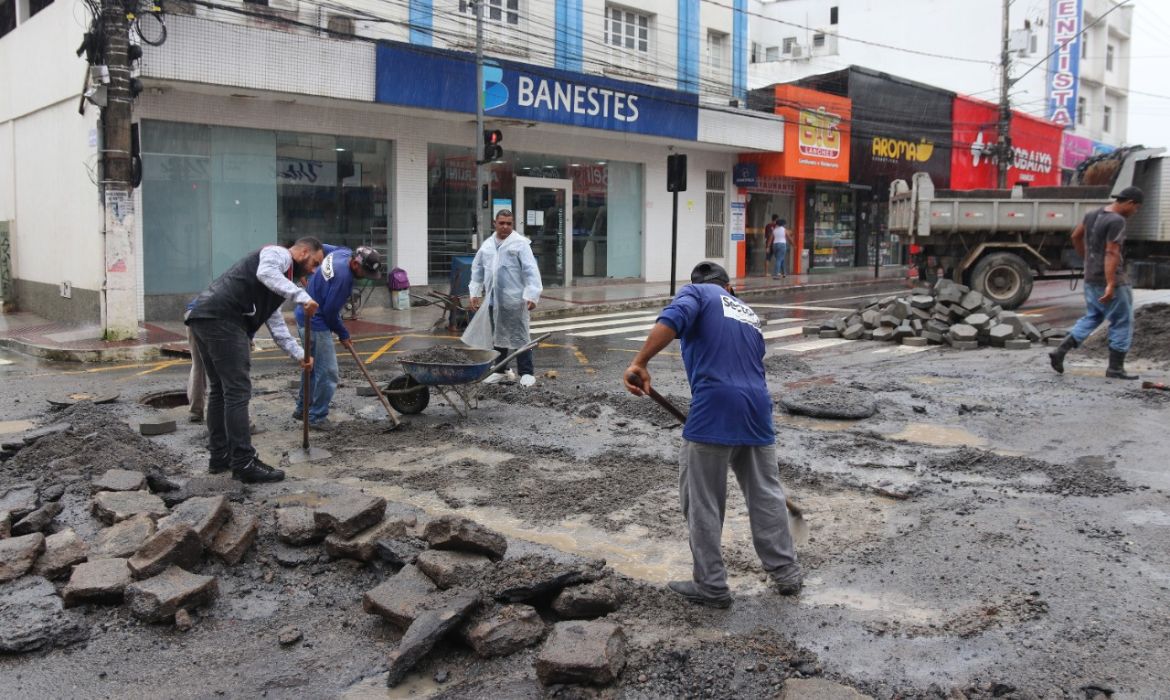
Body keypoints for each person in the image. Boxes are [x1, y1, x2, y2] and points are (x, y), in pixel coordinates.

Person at [623, 261, 802, 608]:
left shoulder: (696, 293)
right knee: (766, 493)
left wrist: (640, 362)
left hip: (715, 405)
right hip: (757, 406)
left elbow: (671, 321)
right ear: (730, 287)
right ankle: (787, 572)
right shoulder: (747, 313)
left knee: (702, 499)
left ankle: (712, 586)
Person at [185, 238, 324, 483]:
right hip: (224, 319)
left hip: (205, 317)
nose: (313, 271)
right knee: (237, 392)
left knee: (219, 390)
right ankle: (244, 462)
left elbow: (278, 327)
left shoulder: (275, 286)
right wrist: (301, 296)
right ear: (303, 252)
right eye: (314, 263)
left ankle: (220, 457)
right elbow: (266, 271)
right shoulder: (278, 255)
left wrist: (300, 354)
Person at [1049, 186, 1143, 380]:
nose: (1136, 212)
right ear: (1130, 203)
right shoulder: (1117, 220)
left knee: (1093, 316)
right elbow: (1111, 252)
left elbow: (1076, 236)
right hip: (1111, 279)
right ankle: (1116, 368)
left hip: (1091, 277)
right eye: (1136, 208)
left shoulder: (1092, 214)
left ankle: (1060, 351)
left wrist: (1087, 259)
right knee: (1122, 321)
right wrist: (1110, 283)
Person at [292, 245, 386, 429]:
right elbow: (330, 313)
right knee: (328, 372)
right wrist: (344, 334)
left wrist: (306, 271)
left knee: (311, 367)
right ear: (355, 263)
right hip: (316, 322)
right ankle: (316, 417)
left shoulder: (341, 252)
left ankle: (302, 409)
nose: (364, 276)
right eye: (364, 272)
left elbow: (318, 246)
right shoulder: (344, 279)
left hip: (303, 315)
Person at [468, 209, 543, 387]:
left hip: (516, 299)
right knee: (497, 336)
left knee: (521, 336)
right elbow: (477, 270)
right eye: (502, 223)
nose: (505, 227)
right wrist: (475, 292)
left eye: (509, 223)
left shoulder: (520, 244)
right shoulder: (487, 246)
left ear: (513, 224)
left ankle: (526, 372)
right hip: (494, 300)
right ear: (495, 223)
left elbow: (531, 270)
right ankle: (500, 370)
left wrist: (532, 294)